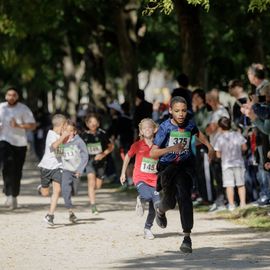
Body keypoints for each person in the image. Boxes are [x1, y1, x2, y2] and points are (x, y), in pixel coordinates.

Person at [150, 96, 215, 253]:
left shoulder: (189, 124)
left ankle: (187, 237)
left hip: (185, 167)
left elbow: (198, 133)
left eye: (184, 111)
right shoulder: (165, 128)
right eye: (177, 111)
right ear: (170, 111)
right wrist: (170, 149)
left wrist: (209, 146)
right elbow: (153, 152)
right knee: (170, 203)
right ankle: (160, 210)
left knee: (185, 198)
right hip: (168, 168)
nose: (181, 114)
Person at [120, 118, 160, 240]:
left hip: (154, 179)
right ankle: (140, 198)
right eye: (144, 128)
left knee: (156, 206)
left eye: (150, 127)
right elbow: (127, 157)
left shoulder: (159, 145)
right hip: (140, 177)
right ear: (141, 132)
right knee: (147, 197)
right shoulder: (137, 145)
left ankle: (147, 229)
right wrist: (123, 173)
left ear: (155, 129)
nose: (147, 129)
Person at [0, 87, 36, 209]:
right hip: (4, 140)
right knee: (7, 167)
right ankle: (8, 195)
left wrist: (18, 125)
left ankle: (14, 195)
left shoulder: (23, 108)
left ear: (17, 97)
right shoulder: (1, 108)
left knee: (17, 170)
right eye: (9, 95)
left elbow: (32, 125)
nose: (11, 97)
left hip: (20, 143)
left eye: (13, 95)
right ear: (6, 96)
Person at [81, 113, 114, 214]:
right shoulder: (84, 135)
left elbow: (111, 146)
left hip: (101, 162)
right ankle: (93, 205)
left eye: (95, 122)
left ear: (98, 123)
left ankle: (93, 194)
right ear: (87, 124)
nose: (93, 124)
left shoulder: (102, 134)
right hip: (89, 162)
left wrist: (103, 154)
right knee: (91, 182)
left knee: (98, 185)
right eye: (90, 122)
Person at [37, 114, 67, 225]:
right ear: (62, 125)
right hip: (46, 167)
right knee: (45, 193)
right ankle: (41, 188)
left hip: (58, 167)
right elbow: (54, 146)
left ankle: (50, 215)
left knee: (57, 191)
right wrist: (63, 137)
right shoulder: (51, 134)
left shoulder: (62, 136)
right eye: (65, 126)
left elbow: (63, 152)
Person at [57, 120, 88, 222]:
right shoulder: (61, 141)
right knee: (66, 190)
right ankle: (70, 211)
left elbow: (85, 157)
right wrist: (61, 142)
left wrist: (80, 170)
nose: (68, 133)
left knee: (74, 190)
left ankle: (71, 194)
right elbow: (58, 155)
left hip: (76, 170)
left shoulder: (79, 142)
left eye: (70, 131)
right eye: (65, 130)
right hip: (66, 170)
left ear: (75, 132)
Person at [214, 117, 248, 211]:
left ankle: (232, 205)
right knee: (241, 184)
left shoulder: (220, 138)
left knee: (229, 185)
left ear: (220, 127)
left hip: (226, 164)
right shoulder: (237, 135)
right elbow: (244, 147)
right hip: (238, 163)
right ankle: (243, 203)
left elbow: (218, 154)